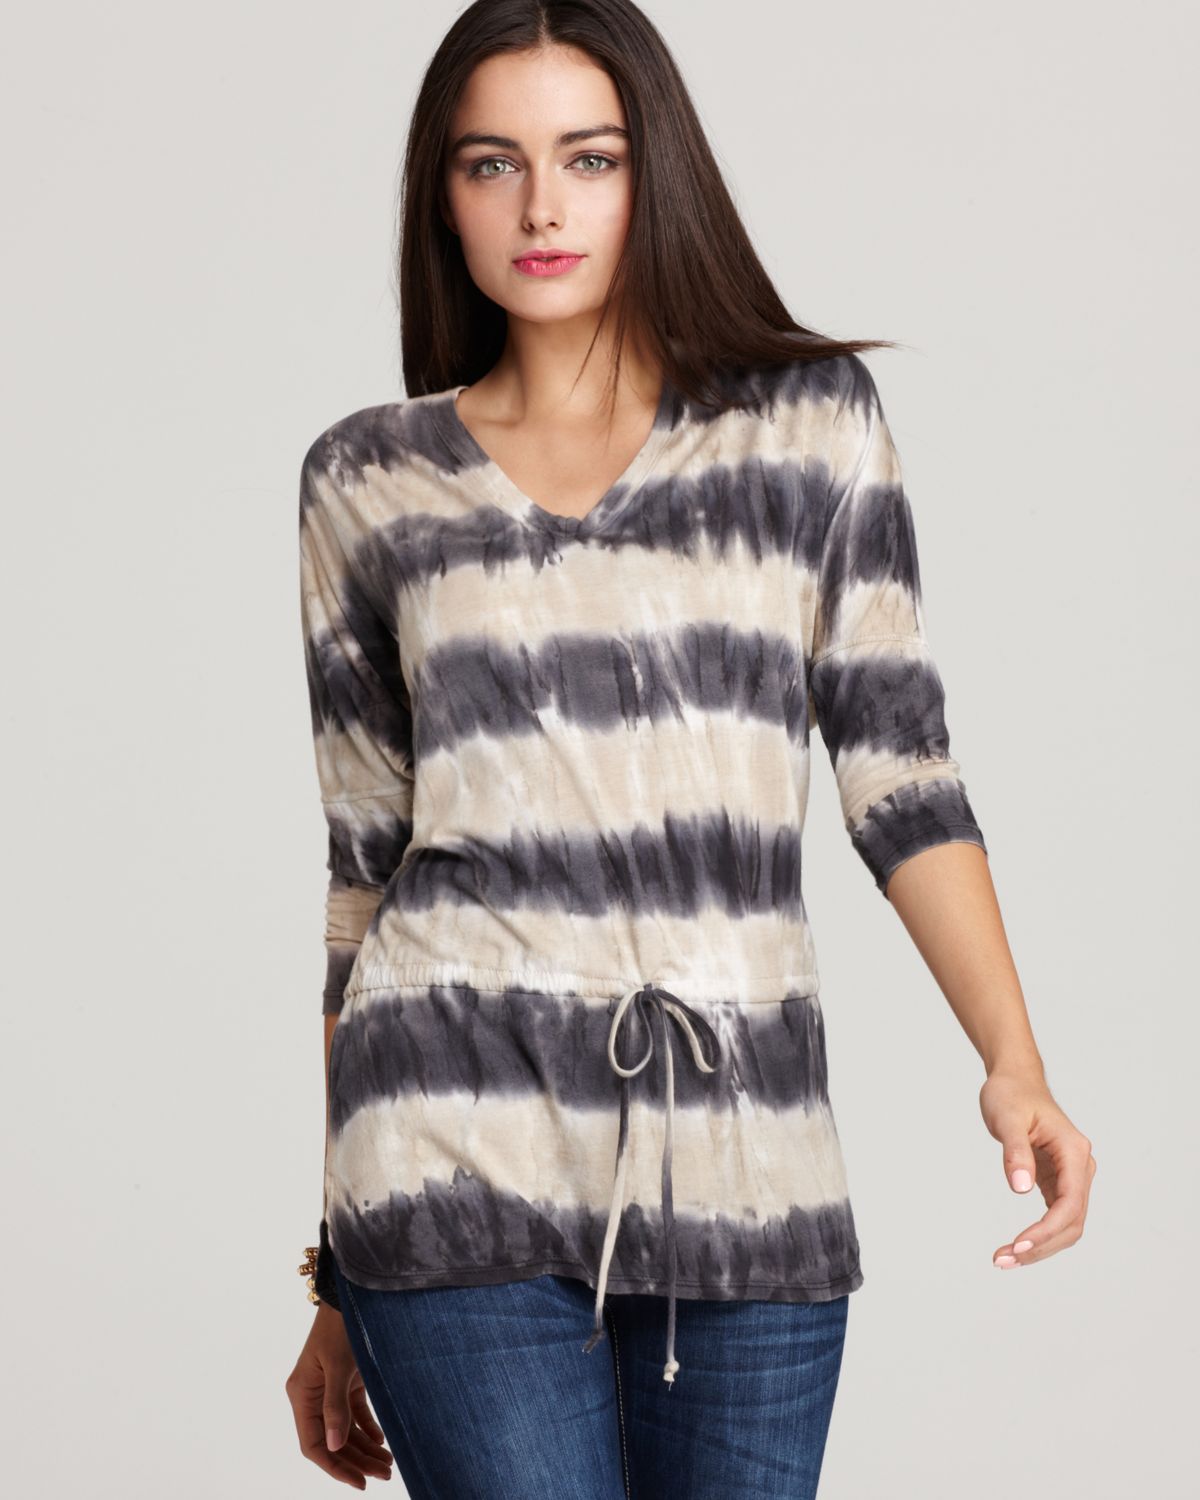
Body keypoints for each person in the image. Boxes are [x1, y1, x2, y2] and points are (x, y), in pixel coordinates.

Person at [284, 2, 1097, 1494]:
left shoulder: (807, 430)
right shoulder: (366, 481)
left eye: (588, 159)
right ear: (442, 196)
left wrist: (1015, 1062)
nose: (541, 206)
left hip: (747, 1154)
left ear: (652, 173)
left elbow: (900, 772)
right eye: (492, 163)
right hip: (442, 1141)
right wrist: (339, 1271)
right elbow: (363, 878)